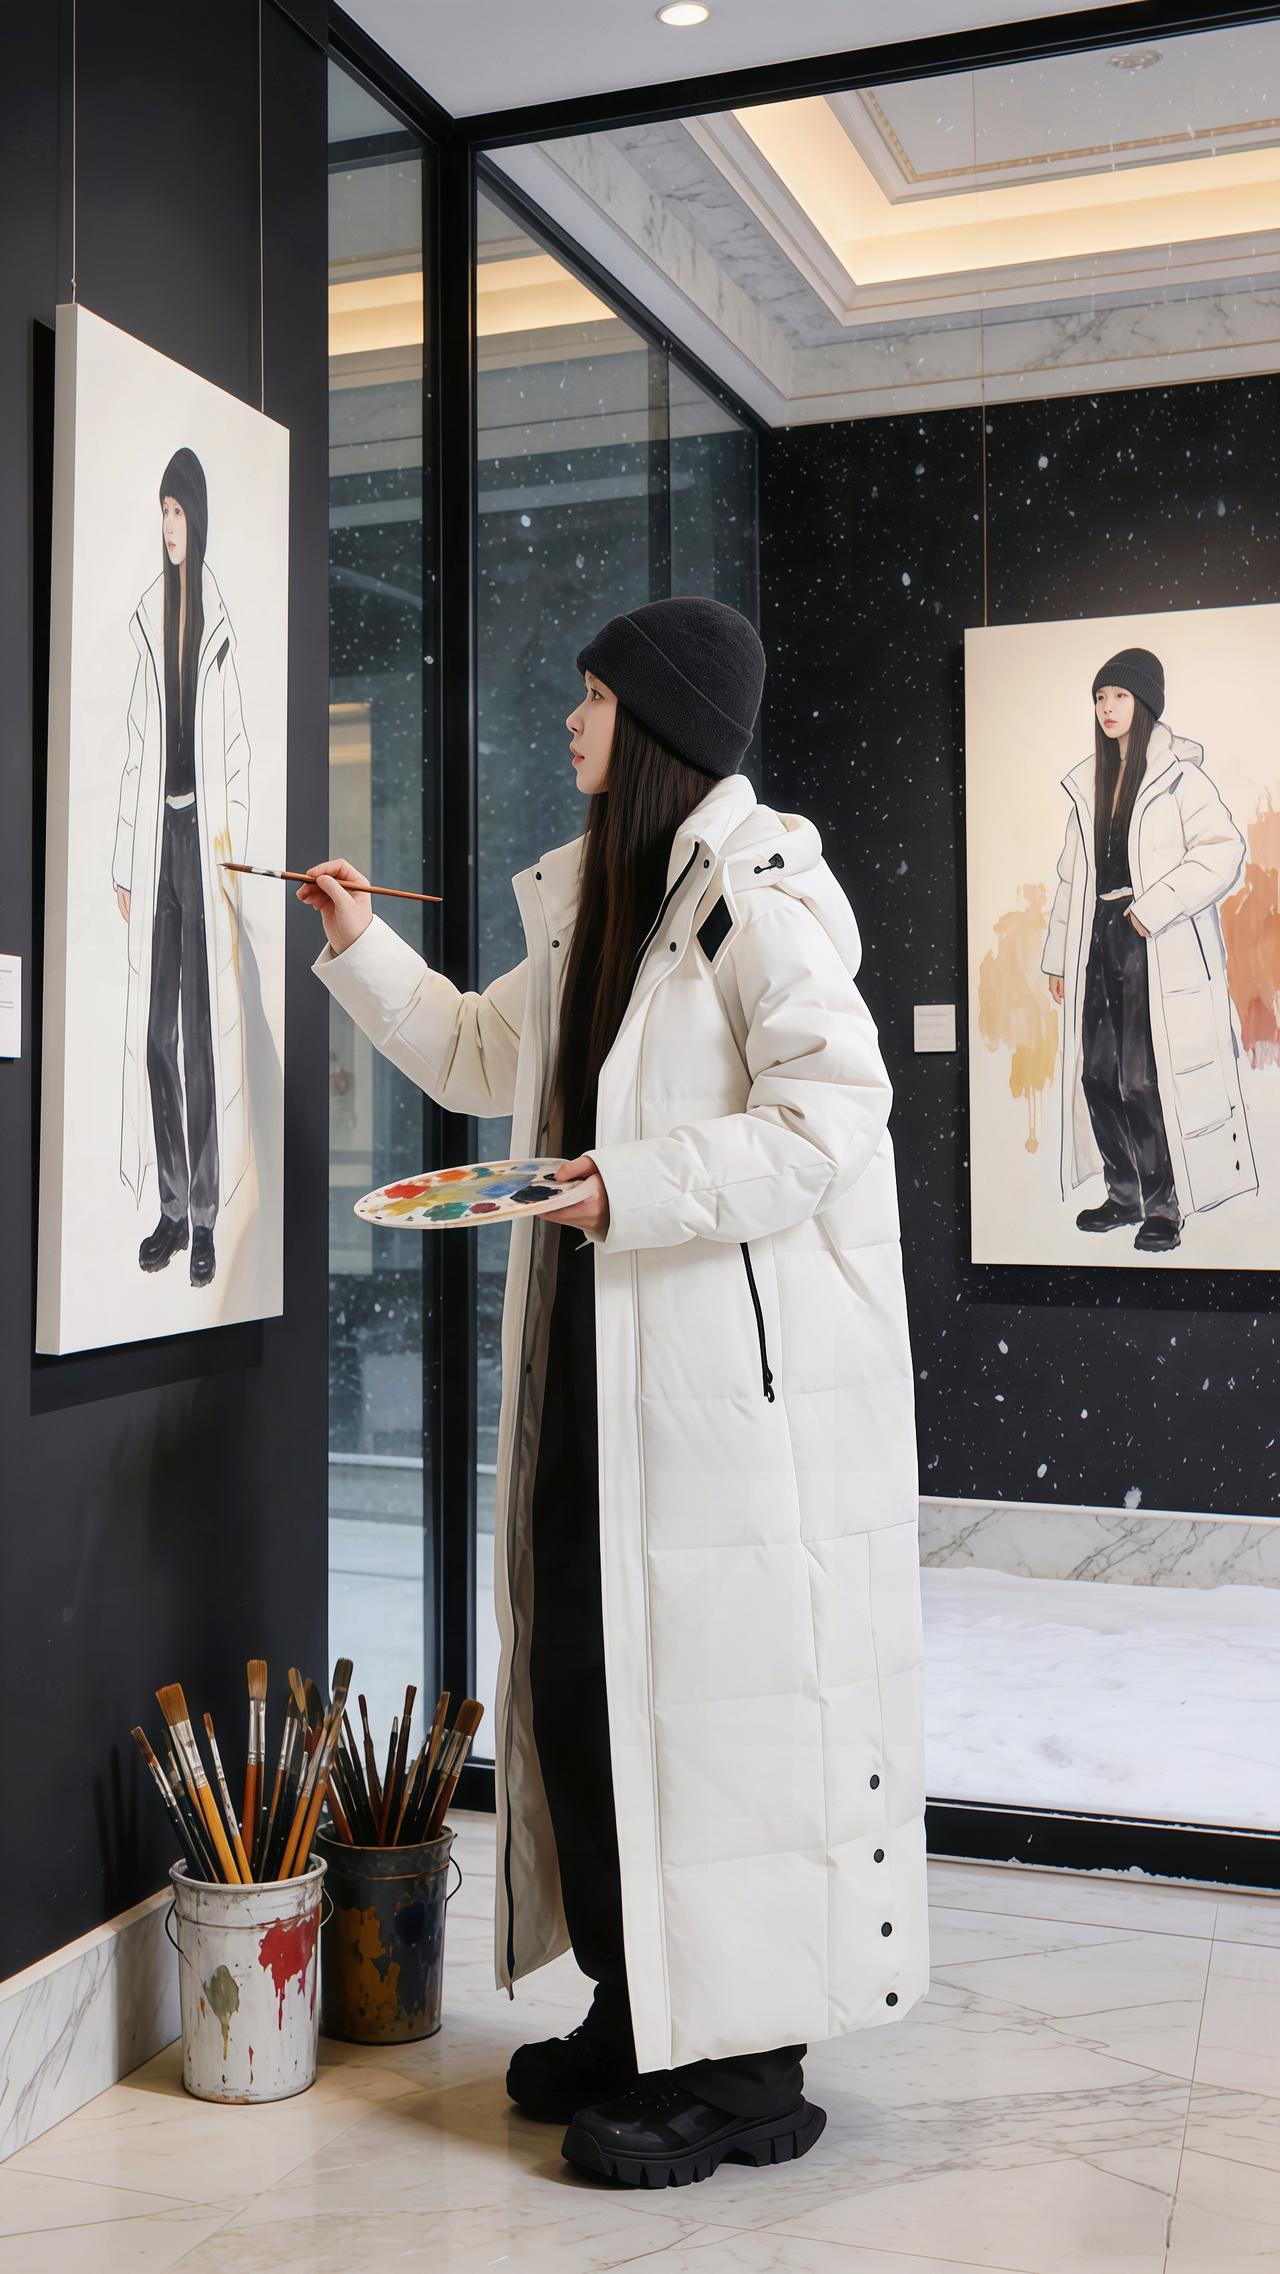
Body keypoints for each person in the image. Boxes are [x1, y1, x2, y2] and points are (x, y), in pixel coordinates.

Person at [300, 596, 930, 2189]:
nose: (572, 722)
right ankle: (641, 2006)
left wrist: (625, 1185)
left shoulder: (758, 900)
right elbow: (473, 1056)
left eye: (593, 698)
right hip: (599, 1376)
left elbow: (832, 1115)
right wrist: (356, 941)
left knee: (722, 1721)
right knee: (586, 1690)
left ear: (656, 727)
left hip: (725, 1405)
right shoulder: (600, 905)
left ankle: (746, 2069)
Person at [1041, 646, 1256, 1253]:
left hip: (1149, 938)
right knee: (1096, 1073)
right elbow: (1070, 879)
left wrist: (1152, 910)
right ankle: (1124, 1194)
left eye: (1120, 696)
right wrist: (1058, 958)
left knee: (1140, 1077)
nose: (1107, 707)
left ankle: (1163, 1206)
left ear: (1145, 703)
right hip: (1096, 936)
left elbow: (1222, 850)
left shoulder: (1179, 775)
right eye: (1100, 697)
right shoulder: (1090, 783)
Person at [111, 446, 253, 1288]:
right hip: (158, 841)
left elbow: (236, 754)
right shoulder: (147, 613)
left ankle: (202, 1216)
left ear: (198, 517)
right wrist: (121, 862)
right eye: (162, 511)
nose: (169, 526)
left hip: (205, 842)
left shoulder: (218, 619)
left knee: (199, 1035)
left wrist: (235, 864)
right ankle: (170, 1207)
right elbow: (137, 746)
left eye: (179, 510)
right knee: (155, 1035)